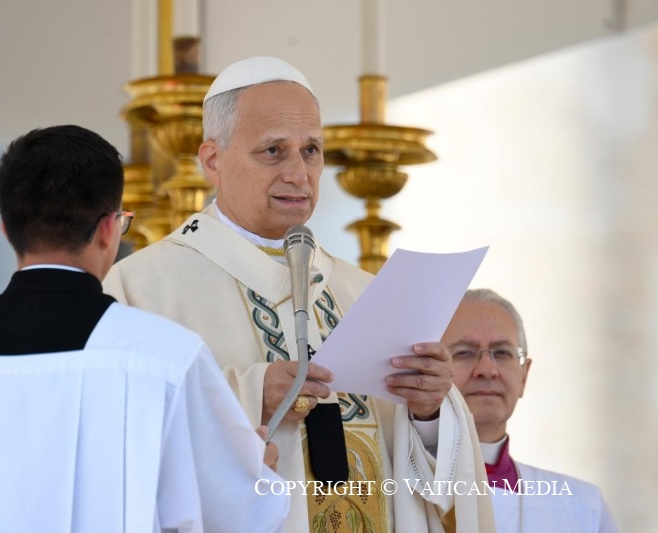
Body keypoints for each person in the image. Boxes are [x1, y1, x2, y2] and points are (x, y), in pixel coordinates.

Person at [103, 56, 495, 532]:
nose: (298, 172)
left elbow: (429, 482)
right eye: (273, 151)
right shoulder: (141, 287)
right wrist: (248, 397)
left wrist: (429, 412)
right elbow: (113, 440)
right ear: (212, 160)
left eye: (311, 150)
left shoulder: (362, 291)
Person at [0, 125, 288, 533]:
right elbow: (238, 513)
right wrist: (259, 470)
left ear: (6, 229)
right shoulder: (164, 358)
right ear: (109, 229)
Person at [442, 288, 619, 532]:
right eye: (464, 352)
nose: (487, 369)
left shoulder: (583, 507)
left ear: (524, 376)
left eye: (502, 353)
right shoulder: (393, 493)